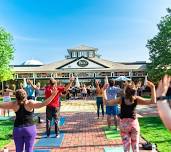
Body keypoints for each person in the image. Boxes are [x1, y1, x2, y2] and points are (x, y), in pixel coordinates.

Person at [106, 80, 156, 152]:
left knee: (126, 148)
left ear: (125, 90)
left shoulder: (121, 99)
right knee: (135, 147)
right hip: (134, 125)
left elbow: (107, 102)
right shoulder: (136, 99)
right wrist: (152, 87)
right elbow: (153, 101)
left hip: (124, 126)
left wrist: (104, 91)